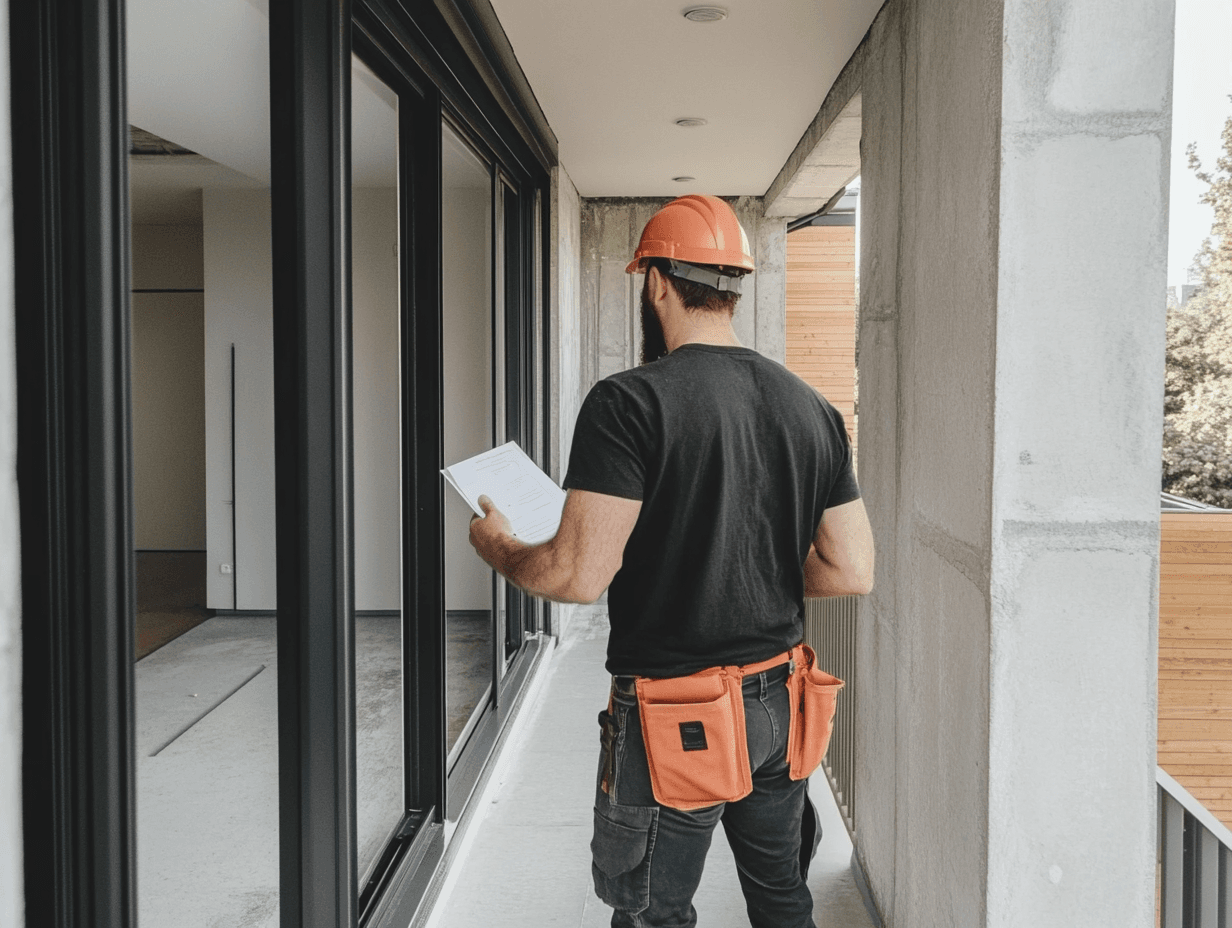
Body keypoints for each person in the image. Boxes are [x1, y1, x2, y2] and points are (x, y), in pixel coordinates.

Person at [468, 193, 874, 928]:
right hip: (781, 702)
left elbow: (576, 575)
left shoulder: (628, 403)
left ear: (655, 281)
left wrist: (497, 545)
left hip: (672, 716)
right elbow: (851, 569)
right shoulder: (811, 407)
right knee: (783, 899)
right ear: (732, 287)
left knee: (656, 913)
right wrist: (754, 570)